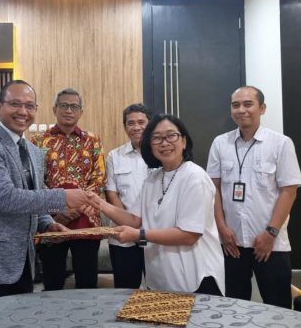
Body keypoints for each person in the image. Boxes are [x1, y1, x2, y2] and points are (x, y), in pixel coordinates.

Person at [0, 80, 97, 303]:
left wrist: (46, 223)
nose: (23, 112)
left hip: (24, 260)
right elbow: (6, 198)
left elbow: (33, 193)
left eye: (30, 106)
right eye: (15, 104)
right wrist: (62, 197)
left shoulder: (33, 150)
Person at [97, 114, 225, 296]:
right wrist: (98, 203)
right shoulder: (153, 178)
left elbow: (189, 234)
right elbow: (134, 219)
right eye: (157, 138)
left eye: (171, 136)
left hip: (196, 277)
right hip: (160, 277)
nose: (164, 143)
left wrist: (138, 235)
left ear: (184, 142)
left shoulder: (195, 177)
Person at [207, 86, 301, 308]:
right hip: (232, 243)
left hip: (270, 244)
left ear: (262, 108)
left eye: (247, 104)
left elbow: (289, 191)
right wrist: (221, 228)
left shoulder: (280, 143)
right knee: (234, 307)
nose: (241, 110)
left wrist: (271, 233)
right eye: (235, 105)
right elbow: (213, 188)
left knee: (277, 307)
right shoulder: (220, 143)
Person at [31, 88, 106, 290]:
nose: (68, 110)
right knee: (53, 280)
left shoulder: (92, 140)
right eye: (64, 105)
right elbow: (36, 180)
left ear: (81, 112)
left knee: (87, 279)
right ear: (55, 109)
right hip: (52, 219)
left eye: (74, 106)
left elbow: (99, 177)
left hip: (86, 217)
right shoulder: (38, 141)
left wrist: (76, 208)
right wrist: (57, 209)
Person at [104, 103, 152, 289]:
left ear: (150, 124)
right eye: (130, 123)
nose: (136, 127)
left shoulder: (160, 154)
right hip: (122, 235)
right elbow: (111, 193)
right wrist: (128, 225)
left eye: (141, 122)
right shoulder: (114, 156)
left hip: (155, 234)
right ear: (125, 127)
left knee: (159, 291)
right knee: (124, 291)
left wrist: (143, 229)